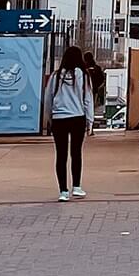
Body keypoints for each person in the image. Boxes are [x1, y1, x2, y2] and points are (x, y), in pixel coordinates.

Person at [44, 44, 95, 201]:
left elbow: (48, 99)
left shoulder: (55, 76)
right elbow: (88, 99)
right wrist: (89, 121)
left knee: (61, 155)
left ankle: (63, 191)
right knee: (76, 153)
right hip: (77, 117)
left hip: (59, 118)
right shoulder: (83, 76)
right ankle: (77, 187)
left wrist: (49, 118)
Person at [82, 51, 108, 127]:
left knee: (82, 107)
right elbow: (102, 80)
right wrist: (96, 87)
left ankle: (84, 123)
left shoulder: (83, 68)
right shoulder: (97, 68)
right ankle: (90, 125)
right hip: (93, 91)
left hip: (83, 91)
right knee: (91, 107)